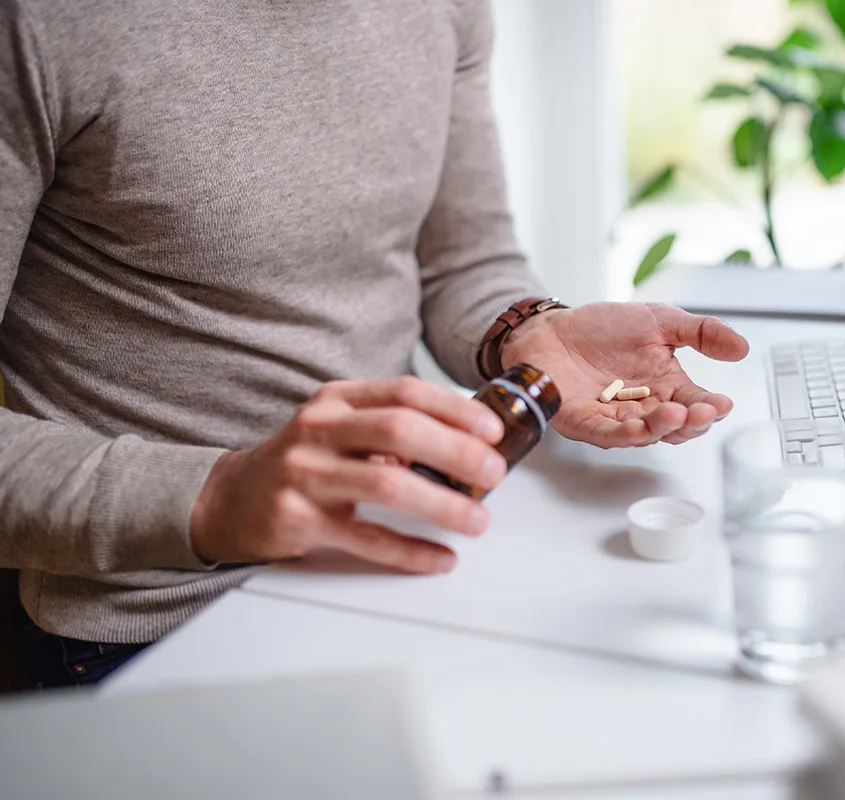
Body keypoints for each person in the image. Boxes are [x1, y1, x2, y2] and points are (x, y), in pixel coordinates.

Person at [0, 0, 750, 688]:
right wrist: (219, 495)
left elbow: (466, 259)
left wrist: (530, 330)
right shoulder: (41, 23)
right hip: (157, 619)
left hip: (401, 551)